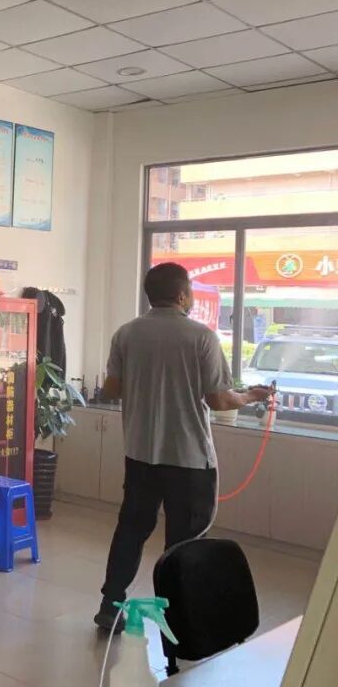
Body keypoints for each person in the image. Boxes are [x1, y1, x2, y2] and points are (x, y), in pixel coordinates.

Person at [94, 262, 270, 632]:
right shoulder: (201, 337)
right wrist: (249, 396)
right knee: (184, 543)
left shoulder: (126, 334)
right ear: (181, 295)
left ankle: (110, 606)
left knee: (130, 531)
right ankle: (181, 618)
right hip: (189, 460)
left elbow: (111, 389)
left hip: (140, 455)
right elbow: (219, 400)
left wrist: (145, 381)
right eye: (189, 290)